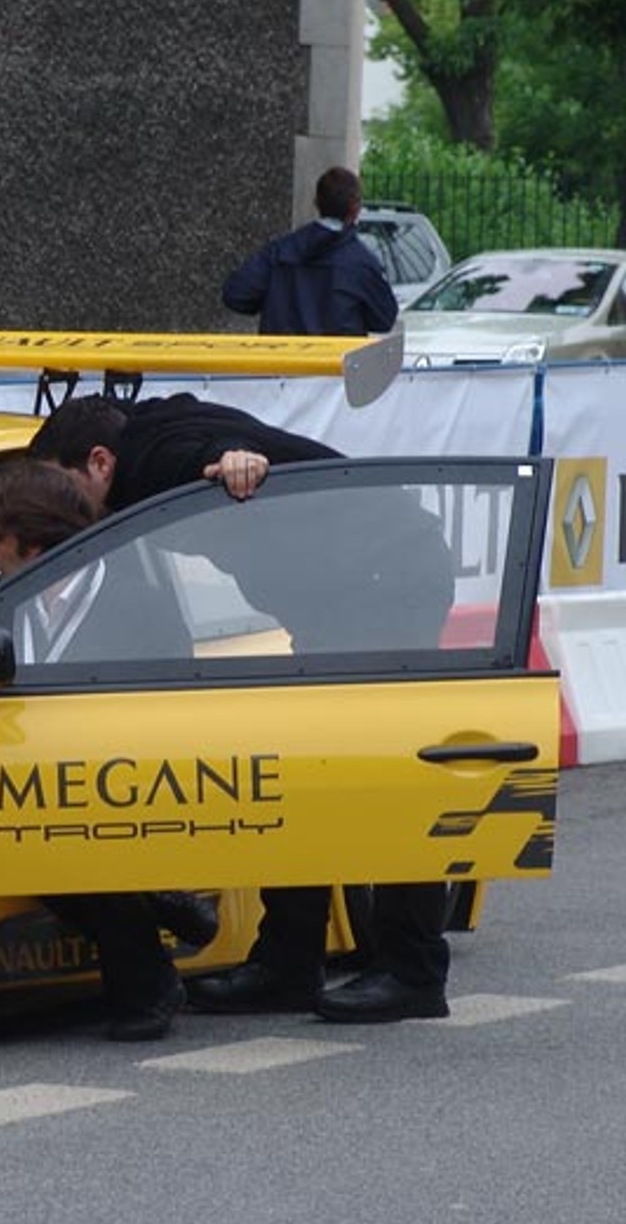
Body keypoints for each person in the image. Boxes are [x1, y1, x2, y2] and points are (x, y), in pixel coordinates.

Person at [27, 392, 458, 1023]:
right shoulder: (149, 426)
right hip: (344, 590)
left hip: (386, 579)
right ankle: (288, 963)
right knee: (307, 773)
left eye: (62, 488)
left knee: (384, 774)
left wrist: (234, 464)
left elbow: (211, 456)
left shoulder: (160, 458)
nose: (58, 511)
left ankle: (413, 970)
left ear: (99, 461)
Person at [0, 458, 210, 1042]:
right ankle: (161, 902)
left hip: (121, 788)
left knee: (80, 841)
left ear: (33, 545)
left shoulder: (138, 604)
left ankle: (149, 980)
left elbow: (173, 714)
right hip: (19, 783)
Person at [222, 165, 398, 336]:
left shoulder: (279, 252)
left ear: (316, 202)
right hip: (336, 362)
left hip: (284, 361)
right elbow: (384, 319)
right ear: (355, 209)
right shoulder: (362, 264)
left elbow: (236, 294)